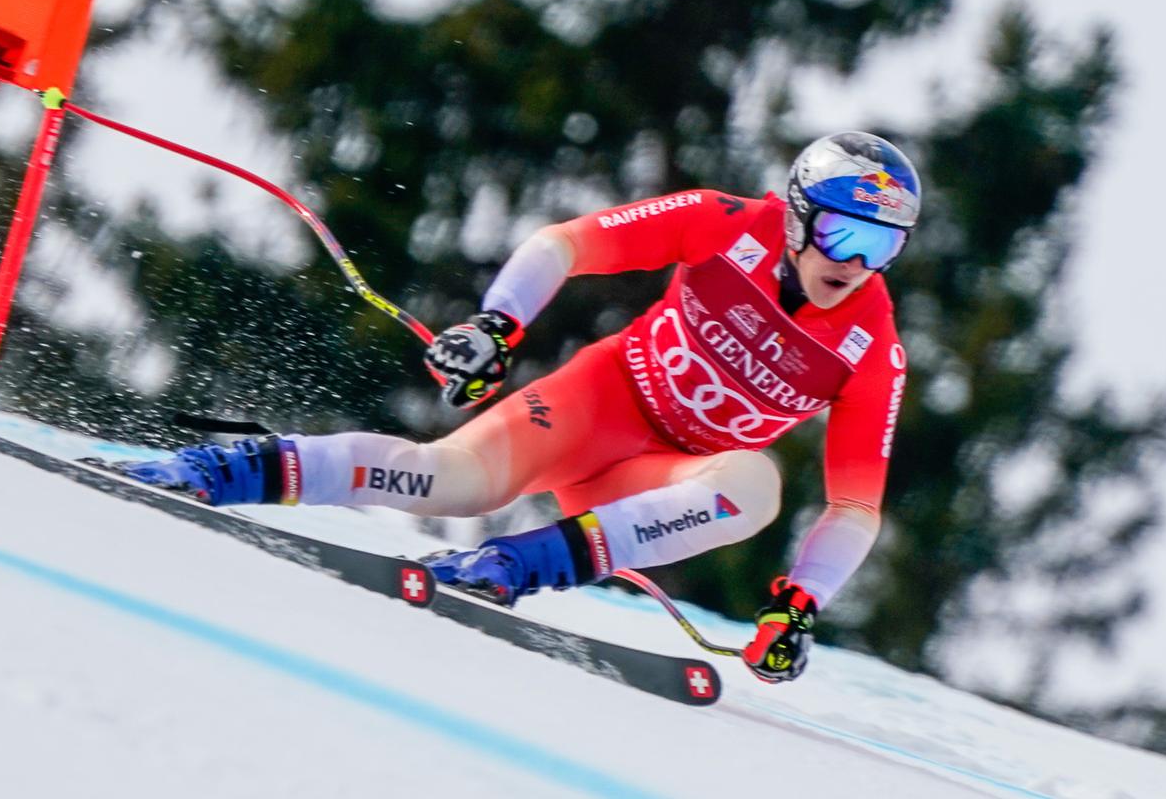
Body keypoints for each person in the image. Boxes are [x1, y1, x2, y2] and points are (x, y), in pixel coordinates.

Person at [118, 131, 918, 683]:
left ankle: (513, 566)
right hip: (596, 404)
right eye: (846, 236)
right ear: (801, 215)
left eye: (883, 247)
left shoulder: (872, 345)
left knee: (755, 487)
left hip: (654, 482)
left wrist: (800, 606)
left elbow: (856, 506)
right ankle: (226, 469)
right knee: (449, 480)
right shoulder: (726, 223)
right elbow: (563, 244)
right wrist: (496, 327)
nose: (856, 264)